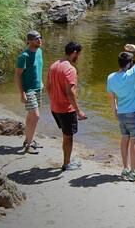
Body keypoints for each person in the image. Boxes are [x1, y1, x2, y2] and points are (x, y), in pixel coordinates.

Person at [106, 43, 135, 181]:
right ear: (129, 64)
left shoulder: (111, 77)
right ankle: (133, 171)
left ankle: (125, 168)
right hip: (134, 113)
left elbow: (111, 98)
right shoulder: (130, 75)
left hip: (122, 114)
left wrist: (115, 112)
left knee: (124, 139)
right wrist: (134, 47)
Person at [47, 41, 87, 171]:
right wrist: (78, 111)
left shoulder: (54, 65)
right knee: (68, 136)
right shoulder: (70, 69)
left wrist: (54, 99)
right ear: (74, 53)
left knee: (65, 135)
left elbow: (48, 86)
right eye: (78, 55)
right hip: (66, 109)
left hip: (54, 107)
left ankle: (67, 160)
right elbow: (71, 92)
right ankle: (67, 163)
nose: (78, 58)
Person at [14, 30, 43, 154]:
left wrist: (41, 83)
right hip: (29, 90)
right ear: (29, 41)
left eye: (40, 38)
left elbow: (39, 68)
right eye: (36, 39)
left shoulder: (40, 51)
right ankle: (29, 145)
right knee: (36, 116)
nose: (39, 40)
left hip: (38, 88)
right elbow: (17, 76)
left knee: (31, 117)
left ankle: (28, 140)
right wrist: (22, 93)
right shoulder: (24, 56)